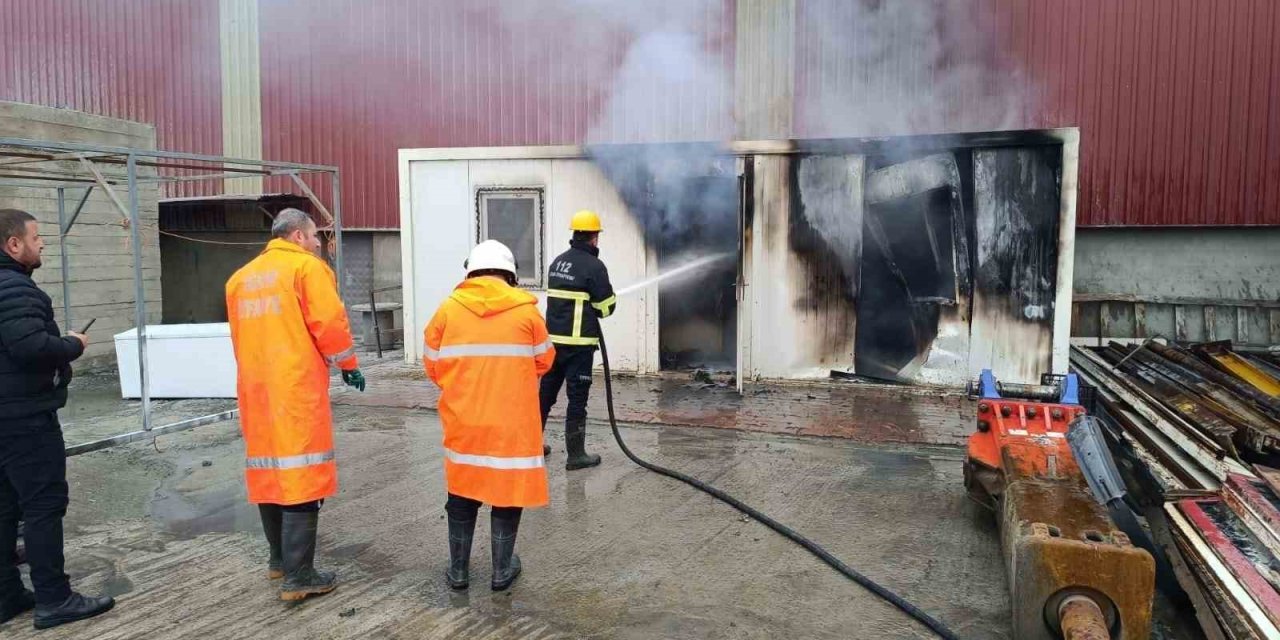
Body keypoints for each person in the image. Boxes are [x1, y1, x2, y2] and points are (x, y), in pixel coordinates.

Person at [225, 208, 365, 602]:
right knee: (302, 471)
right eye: (315, 235)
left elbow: (237, 338)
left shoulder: (240, 279)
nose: (319, 243)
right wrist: (348, 366)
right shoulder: (306, 269)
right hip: (295, 388)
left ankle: (279, 561)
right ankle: (299, 576)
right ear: (299, 237)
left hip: (256, 390)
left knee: (269, 470)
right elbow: (330, 324)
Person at [0, 209, 115, 629]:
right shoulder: (16, 289)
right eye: (36, 236)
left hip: (6, 418)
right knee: (43, 506)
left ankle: (8, 596)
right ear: (14, 245)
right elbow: (30, 346)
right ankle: (54, 598)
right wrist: (72, 344)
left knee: (6, 508)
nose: (42, 243)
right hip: (25, 420)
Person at [423, 240, 553, 592]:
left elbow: (432, 364)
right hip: (512, 424)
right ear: (509, 273)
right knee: (507, 493)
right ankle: (501, 571)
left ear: (471, 272)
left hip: (464, 420)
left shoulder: (448, 310)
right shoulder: (526, 313)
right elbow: (545, 361)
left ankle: (459, 572)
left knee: (463, 492)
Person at [539, 210, 616, 470]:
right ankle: (576, 455)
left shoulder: (558, 262)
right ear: (594, 237)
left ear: (574, 234)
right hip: (578, 347)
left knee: (545, 396)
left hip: (552, 344)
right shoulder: (594, 266)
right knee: (577, 399)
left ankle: (529, 447)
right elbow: (606, 307)